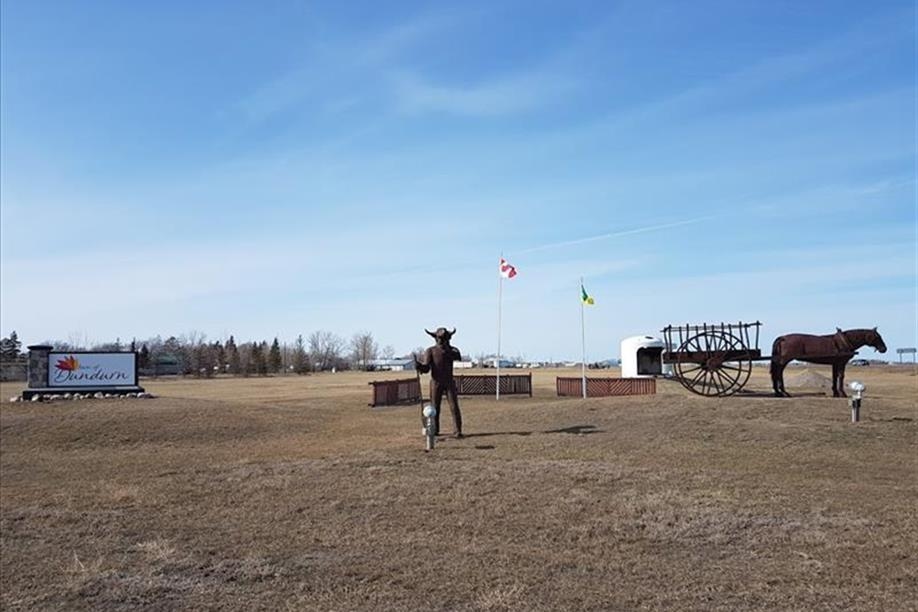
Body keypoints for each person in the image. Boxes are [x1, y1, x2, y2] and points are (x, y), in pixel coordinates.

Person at [415, 327, 463, 438]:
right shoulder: (431, 351)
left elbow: (458, 356)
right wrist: (420, 366)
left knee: (454, 407)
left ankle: (457, 430)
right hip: (436, 382)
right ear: (435, 338)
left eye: (444, 338)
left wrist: (450, 349)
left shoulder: (451, 351)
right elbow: (426, 368)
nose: (441, 340)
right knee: (434, 407)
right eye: (440, 338)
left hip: (449, 382)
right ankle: (434, 429)